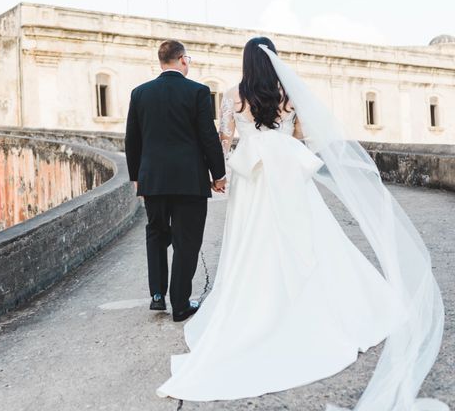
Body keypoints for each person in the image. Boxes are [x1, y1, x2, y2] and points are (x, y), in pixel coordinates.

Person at [156, 37, 446, 411]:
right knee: (308, 238)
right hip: (289, 180)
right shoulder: (288, 95)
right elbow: (300, 137)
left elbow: (224, 140)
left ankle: (257, 305)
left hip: (254, 182)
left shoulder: (232, 95)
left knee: (252, 244)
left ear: (246, 61)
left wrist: (221, 170)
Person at [125, 39, 226, 322]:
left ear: (161, 62)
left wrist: (137, 177)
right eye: (188, 60)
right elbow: (208, 137)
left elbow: (132, 140)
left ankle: (157, 295)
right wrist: (218, 175)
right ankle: (180, 304)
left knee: (156, 234)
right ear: (182, 60)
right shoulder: (197, 91)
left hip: (153, 180)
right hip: (189, 181)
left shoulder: (140, 93)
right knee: (186, 241)